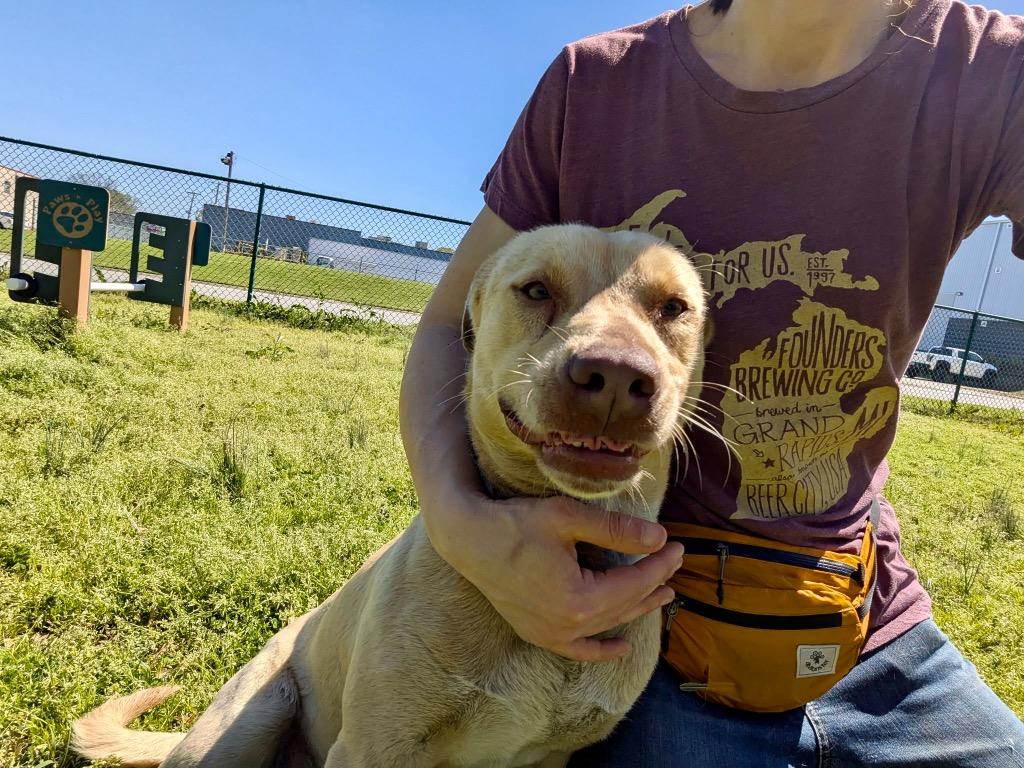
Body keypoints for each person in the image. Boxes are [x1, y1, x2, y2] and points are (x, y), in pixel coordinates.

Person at [399, 0, 1024, 764]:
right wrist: (464, 531)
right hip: (637, 632)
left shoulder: (993, 74)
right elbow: (445, 327)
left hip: (871, 621)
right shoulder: (593, 83)